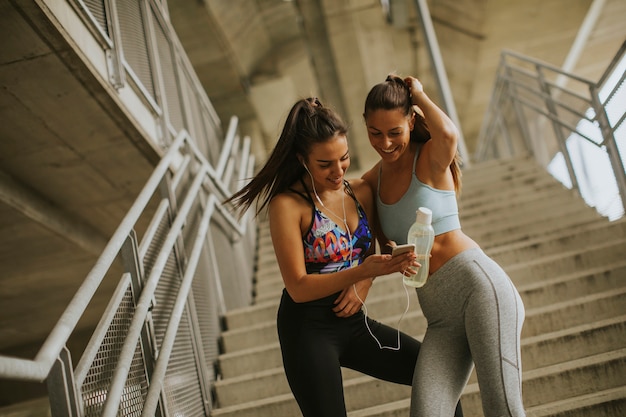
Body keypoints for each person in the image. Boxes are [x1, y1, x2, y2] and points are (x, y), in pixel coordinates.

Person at [227, 97, 430, 417]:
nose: (338, 171)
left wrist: (381, 270)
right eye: (325, 164)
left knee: (432, 373)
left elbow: (375, 251)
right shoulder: (288, 205)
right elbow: (298, 286)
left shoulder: (360, 191)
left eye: (344, 159)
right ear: (302, 159)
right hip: (308, 330)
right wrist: (359, 273)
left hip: (355, 322)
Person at [362, 75, 526, 417]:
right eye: (375, 133)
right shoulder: (371, 182)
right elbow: (381, 246)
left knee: (502, 408)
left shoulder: (431, 156)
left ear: (411, 120)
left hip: (478, 289)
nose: (386, 143)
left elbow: (449, 133)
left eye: (395, 132)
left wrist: (418, 93)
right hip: (439, 317)